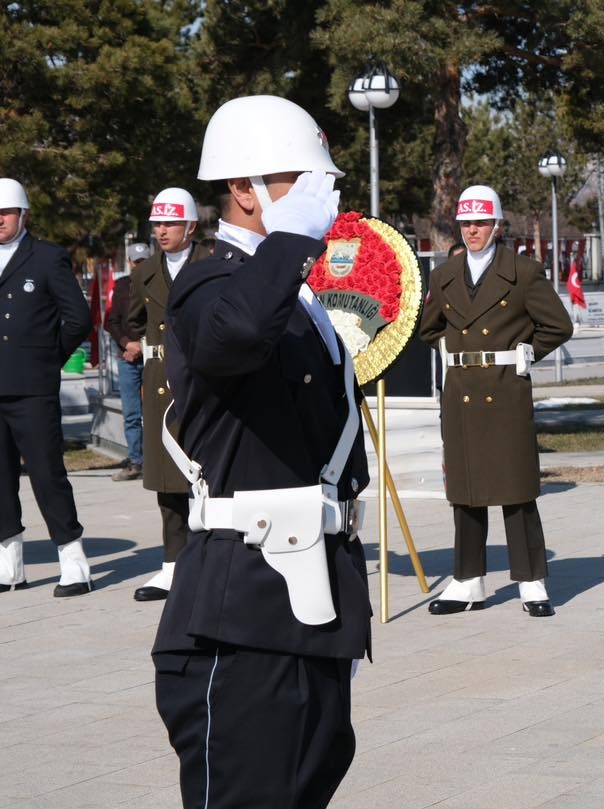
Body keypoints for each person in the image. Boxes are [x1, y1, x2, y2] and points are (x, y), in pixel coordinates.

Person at [151, 95, 371, 808]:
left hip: (310, 600)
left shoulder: (297, 298)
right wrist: (291, 242)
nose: (320, 197)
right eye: (300, 180)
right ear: (243, 189)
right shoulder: (209, 283)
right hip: (241, 606)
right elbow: (234, 336)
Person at [418, 184, 573, 617]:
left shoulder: (523, 271)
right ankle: (468, 581)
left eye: (481, 223)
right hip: (461, 392)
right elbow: (429, 328)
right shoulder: (444, 276)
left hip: (505, 389)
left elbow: (558, 325)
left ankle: (531, 580)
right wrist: (454, 349)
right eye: (466, 223)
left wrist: (528, 352)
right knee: (465, 491)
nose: (472, 231)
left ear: (498, 225)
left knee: (516, 488)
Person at [0, 177, 93, 597]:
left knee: (47, 473)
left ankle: (74, 561)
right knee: (0, 479)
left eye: (6, 212)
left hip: (33, 387)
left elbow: (78, 319)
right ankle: (10, 564)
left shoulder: (46, 257)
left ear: (23, 215)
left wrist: (46, 357)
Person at [128, 187, 209, 602]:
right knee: (168, 480)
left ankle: (212, 560)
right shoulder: (144, 272)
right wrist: (134, 344)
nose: (162, 230)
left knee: (209, 472)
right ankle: (173, 565)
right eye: (157, 223)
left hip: (206, 378)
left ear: (190, 226)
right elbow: (131, 319)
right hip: (162, 381)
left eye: (170, 223)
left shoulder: (212, 264)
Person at [107, 242, 152, 481]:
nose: (140, 266)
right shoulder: (122, 286)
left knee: (156, 411)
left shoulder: (159, 283)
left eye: (144, 261)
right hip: (127, 359)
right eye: (136, 262)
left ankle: (157, 461)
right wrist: (127, 344)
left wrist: (142, 345)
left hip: (153, 355)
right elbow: (112, 321)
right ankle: (136, 461)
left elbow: (163, 320)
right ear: (130, 262)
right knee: (132, 414)